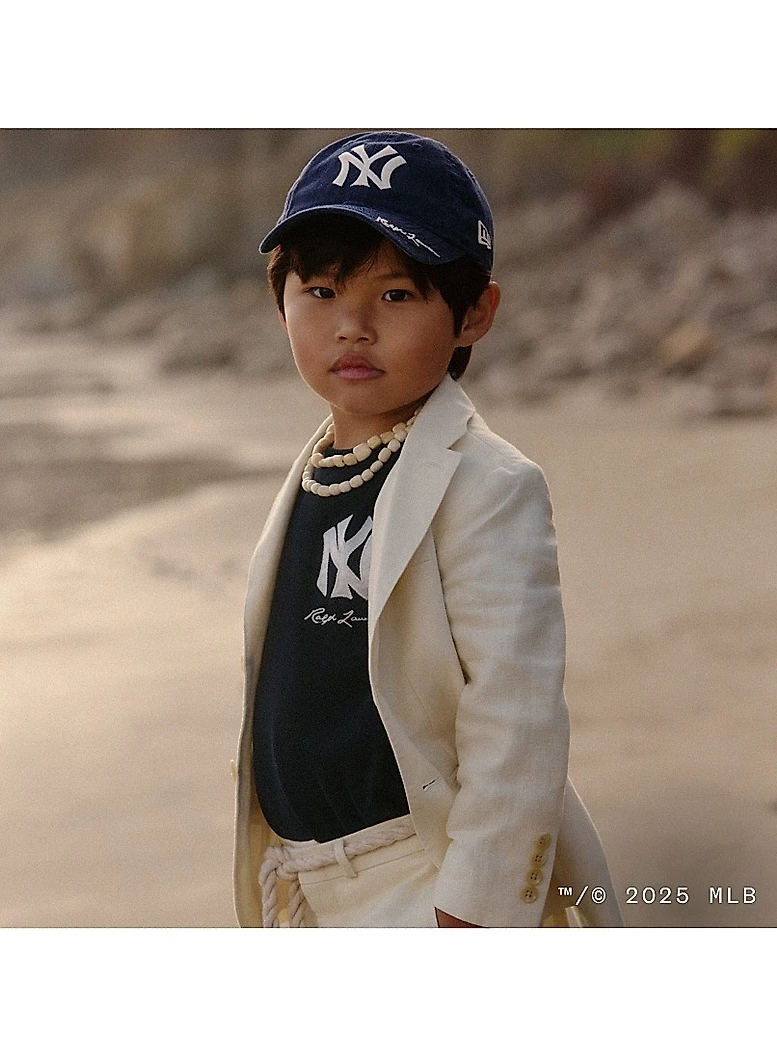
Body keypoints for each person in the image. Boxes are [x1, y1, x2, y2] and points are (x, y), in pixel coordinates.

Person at [232, 131, 623, 928]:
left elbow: (515, 717)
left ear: (474, 313)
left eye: (397, 296)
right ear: (280, 300)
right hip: (305, 886)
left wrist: (472, 911)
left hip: (423, 877)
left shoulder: (487, 484)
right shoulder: (316, 470)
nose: (353, 326)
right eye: (322, 292)